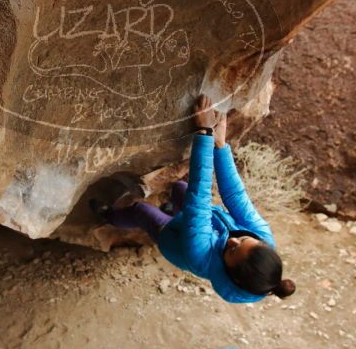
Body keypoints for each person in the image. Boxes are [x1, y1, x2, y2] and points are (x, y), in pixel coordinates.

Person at [91, 95, 295, 303]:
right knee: (180, 189)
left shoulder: (201, 256)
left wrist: (205, 134)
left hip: (174, 241)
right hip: (203, 222)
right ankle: (172, 210)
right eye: (243, 240)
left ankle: (108, 215)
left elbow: (200, 200)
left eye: (232, 249)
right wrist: (220, 144)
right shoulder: (262, 239)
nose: (234, 240)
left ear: (229, 271)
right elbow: (235, 195)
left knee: (142, 213)